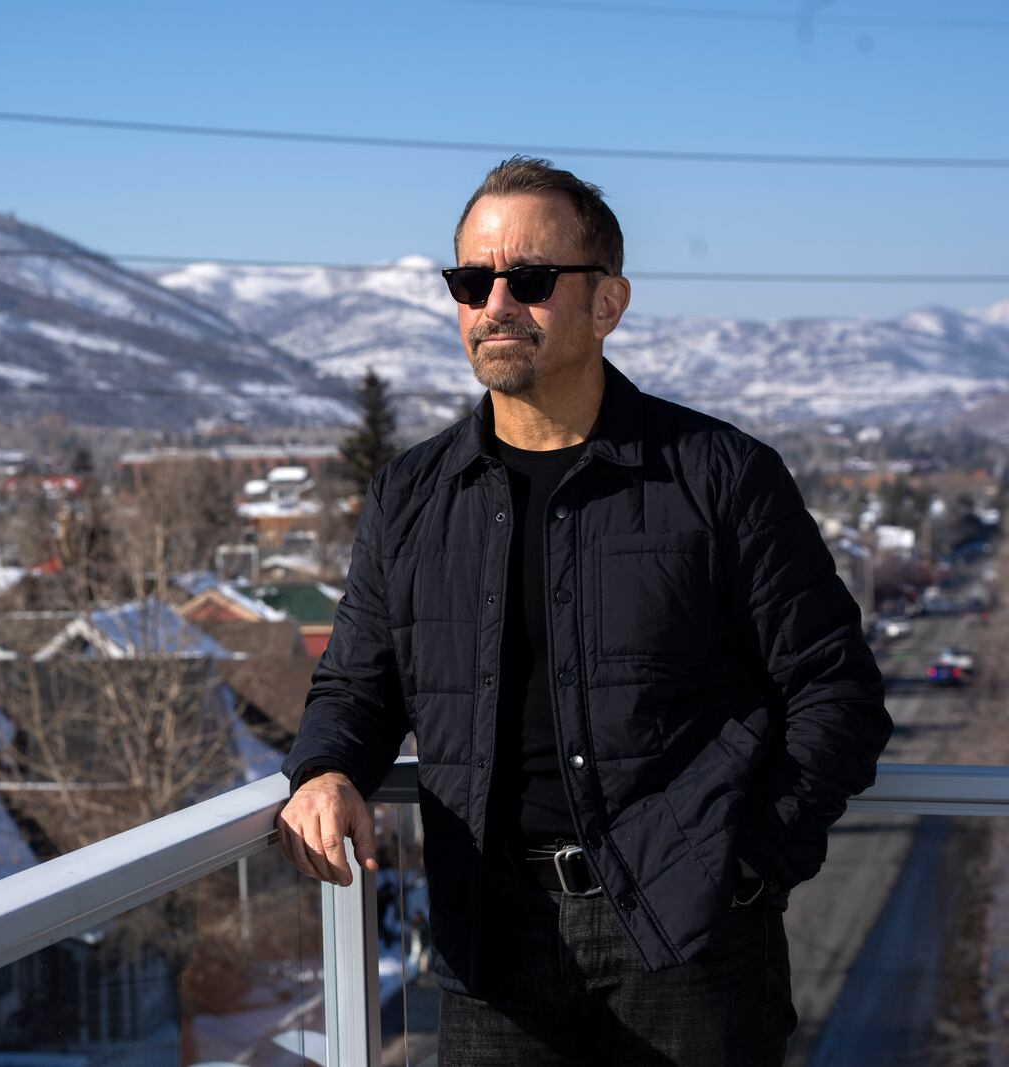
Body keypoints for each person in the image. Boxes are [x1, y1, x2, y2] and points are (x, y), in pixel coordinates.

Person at [275, 156, 891, 1066]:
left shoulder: (721, 479)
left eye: (527, 279)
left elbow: (836, 691)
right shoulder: (410, 496)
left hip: (691, 951)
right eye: (470, 280)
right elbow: (358, 686)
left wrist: (749, 867)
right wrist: (325, 770)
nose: (494, 304)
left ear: (608, 302)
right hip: (493, 951)